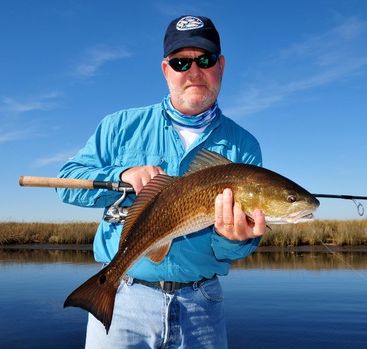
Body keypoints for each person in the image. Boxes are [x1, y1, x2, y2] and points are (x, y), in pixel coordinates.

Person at [57, 15, 267, 349]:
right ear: (165, 69)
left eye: (205, 60)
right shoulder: (118, 126)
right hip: (124, 298)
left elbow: (230, 247)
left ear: (221, 66)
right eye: (181, 62)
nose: (194, 71)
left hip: (202, 306)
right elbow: (65, 181)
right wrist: (120, 176)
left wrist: (237, 240)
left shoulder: (244, 147)